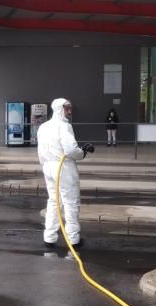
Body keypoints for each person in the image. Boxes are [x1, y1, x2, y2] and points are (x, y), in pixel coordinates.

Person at [38, 98, 93, 251]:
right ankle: (73, 239)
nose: (69, 111)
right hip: (63, 167)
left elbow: (40, 152)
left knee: (54, 201)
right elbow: (70, 150)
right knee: (71, 202)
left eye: (70, 108)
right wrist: (83, 153)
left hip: (48, 166)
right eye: (67, 108)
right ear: (59, 109)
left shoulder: (43, 127)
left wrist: (45, 165)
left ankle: (49, 237)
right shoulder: (64, 126)